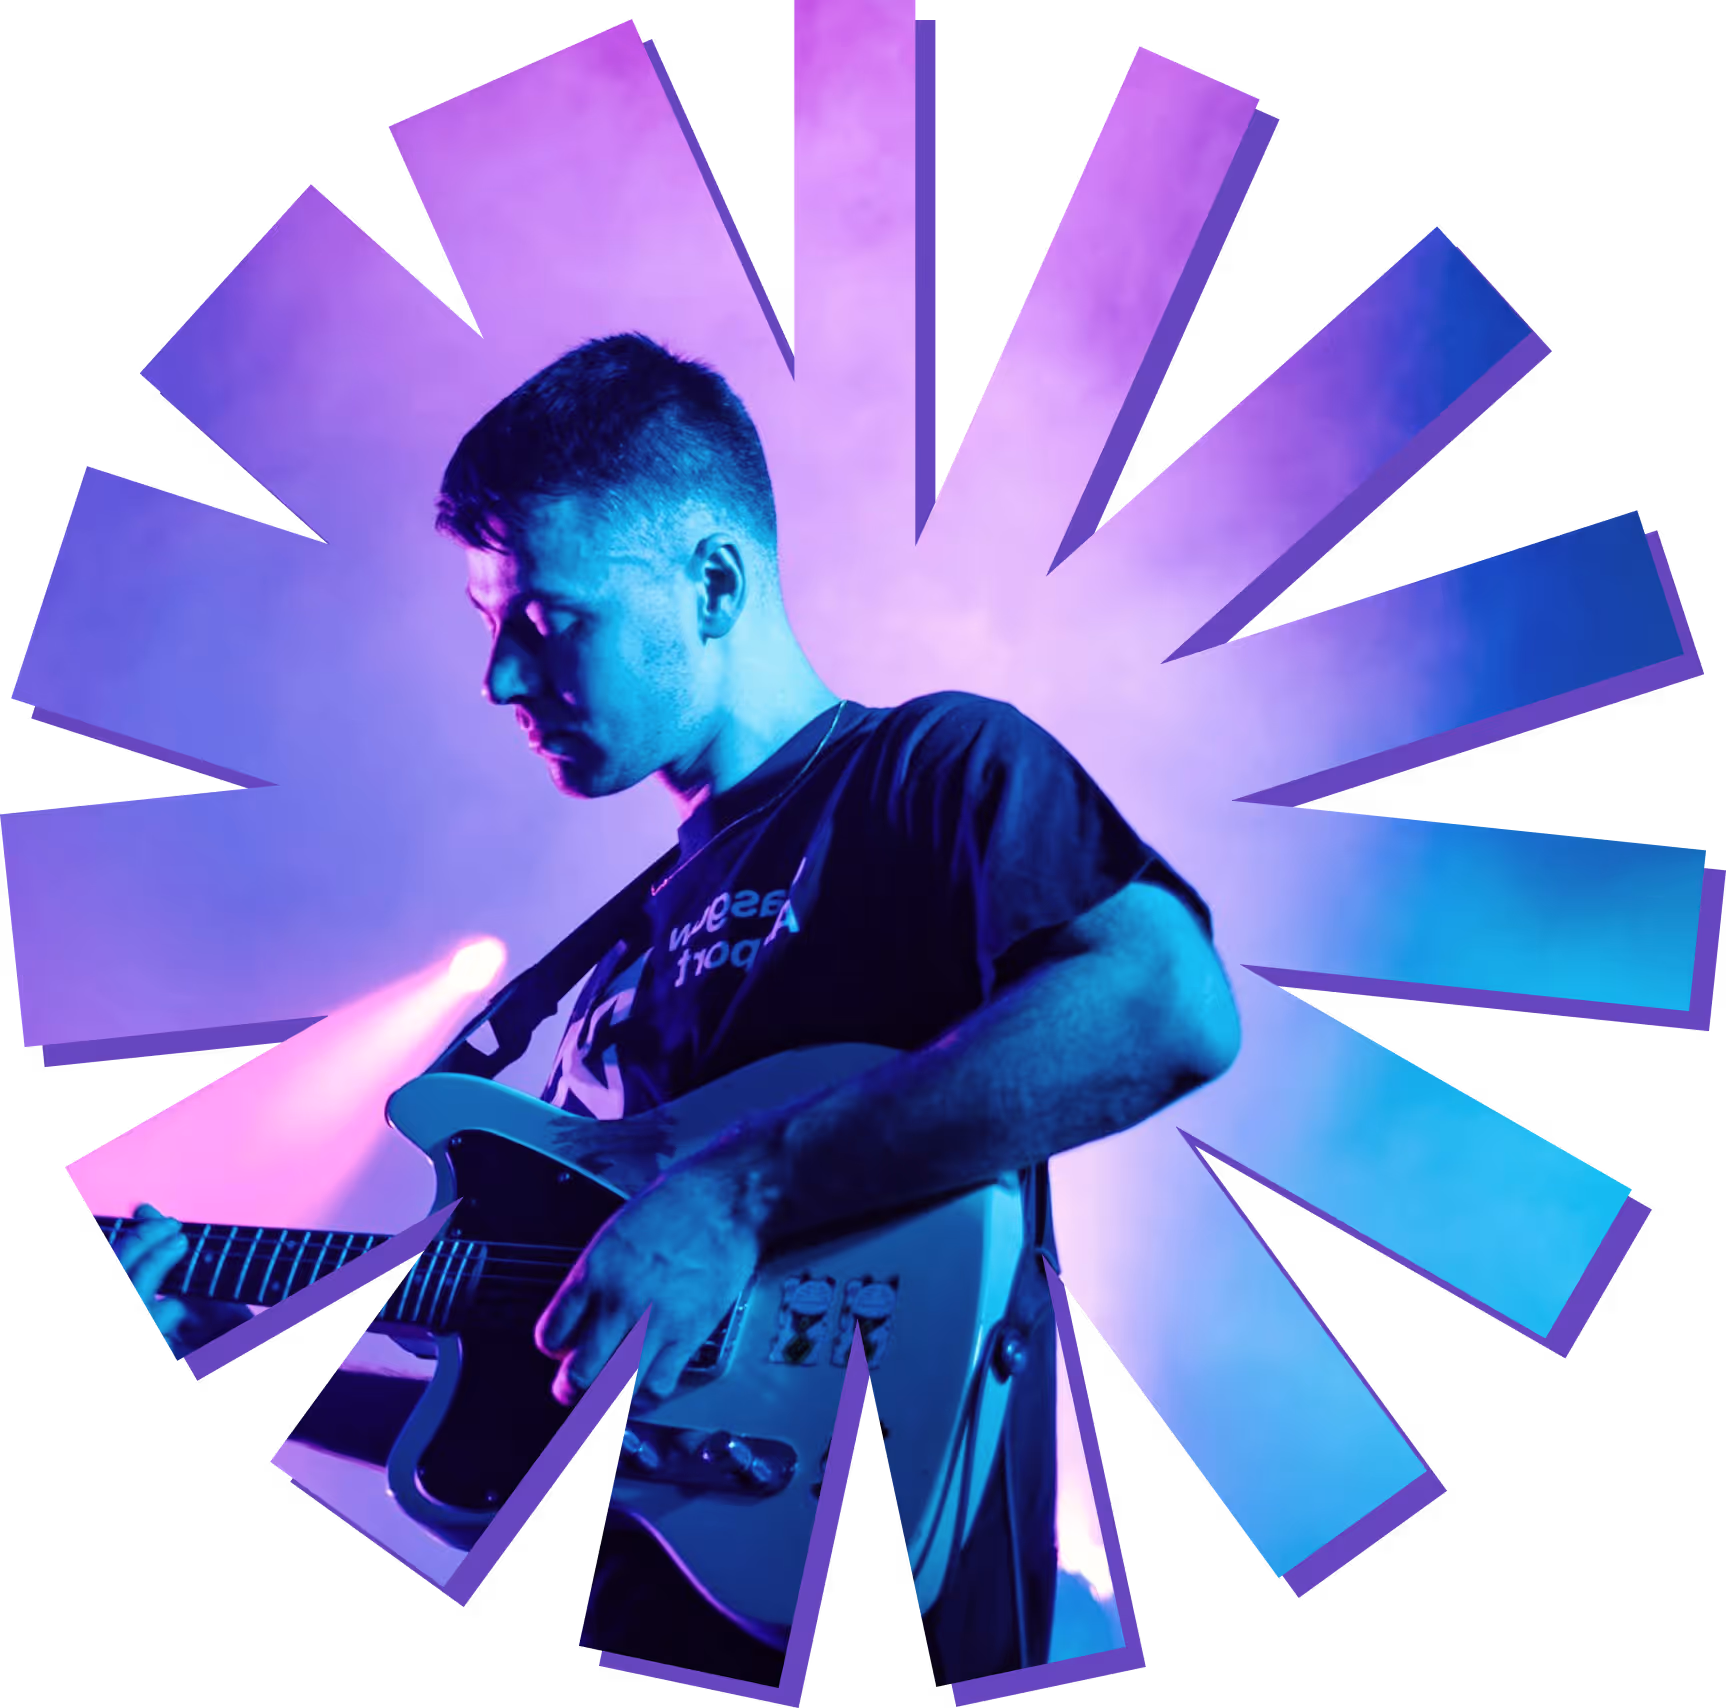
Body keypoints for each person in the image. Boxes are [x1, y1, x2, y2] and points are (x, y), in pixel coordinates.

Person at [115, 333, 1240, 1682]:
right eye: (489, 626)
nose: (501, 681)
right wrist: (227, 1346)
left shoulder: (925, 768)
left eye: (547, 622)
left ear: (712, 584)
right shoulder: (604, 978)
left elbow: (1165, 1002)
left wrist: (741, 1194)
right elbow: (540, 1408)